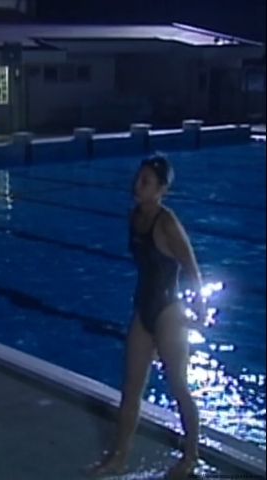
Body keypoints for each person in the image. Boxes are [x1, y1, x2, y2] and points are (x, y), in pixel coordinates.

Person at [86, 155, 205, 480]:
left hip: (168, 312)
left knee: (178, 386)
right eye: (137, 178)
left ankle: (190, 456)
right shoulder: (134, 216)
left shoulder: (167, 223)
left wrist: (200, 311)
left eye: (146, 181)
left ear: (162, 189)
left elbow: (191, 268)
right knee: (131, 390)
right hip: (143, 309)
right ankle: (119, 457)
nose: (137, 185)